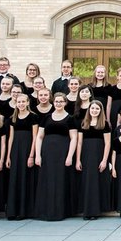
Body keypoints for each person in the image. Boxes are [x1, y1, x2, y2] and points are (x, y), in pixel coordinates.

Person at [34, 92, 78, 221]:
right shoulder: (46, 118)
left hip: (62, 153)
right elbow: (39, 137)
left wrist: (70, 156)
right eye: (56, 101)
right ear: (53, 102)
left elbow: (74, 138)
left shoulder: (70, 118)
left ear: (65, 103)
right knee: (47, 180)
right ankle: (45, 211)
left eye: (61, 101)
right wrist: (37, 155)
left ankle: (60, 211)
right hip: (47, 153)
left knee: (60, 181)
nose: (58, 103)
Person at [75, 100, 112, 220]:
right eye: (92, 109)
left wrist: (104, 160)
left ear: (100, 111)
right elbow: (79, 143)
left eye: (97, 109)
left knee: (97, 183)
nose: (94, 111)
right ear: (89, 110)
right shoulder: (83, 124)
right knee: (87, 182)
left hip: (98, 156)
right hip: (86, 156)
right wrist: (78, 160)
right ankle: (87, 211)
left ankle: (96, 211)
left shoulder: (104, 124)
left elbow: (107, 144)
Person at [6, 94, 38, 220]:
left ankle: (24, 211)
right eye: (19, 102)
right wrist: (8, 156)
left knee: (26, 178)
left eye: (23, 101)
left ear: (27, 102)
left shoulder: (33, 117)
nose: (21, 104)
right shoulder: (12, 118)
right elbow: (11, 138)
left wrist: (31, 155)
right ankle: (13, 211)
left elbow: (35, 137)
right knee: (15, 179)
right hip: (15, 151)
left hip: (27, 150)